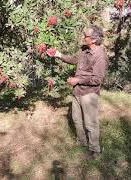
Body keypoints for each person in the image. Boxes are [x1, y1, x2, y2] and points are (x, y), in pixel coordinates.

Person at [51, 25, 109, 159]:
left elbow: (97, 79)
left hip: (89, 93)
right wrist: (58, 54)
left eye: (86, 36)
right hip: (77, 91)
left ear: (94, 39)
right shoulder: (84, 49)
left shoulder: (100, 56)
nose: (83, 37)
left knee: (90, 123)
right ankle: (82, 142)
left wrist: (78, 80)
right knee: (76, 119)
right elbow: (73, 59)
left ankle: (95, 151)